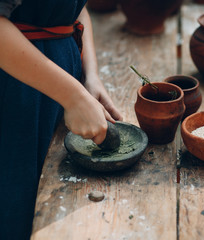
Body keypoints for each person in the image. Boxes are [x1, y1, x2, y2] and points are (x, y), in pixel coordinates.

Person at [0, 0, 122, 239]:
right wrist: (73, 97)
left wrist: (91, 76)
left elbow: (75, 9)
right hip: (16, 94)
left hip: (61, 90)